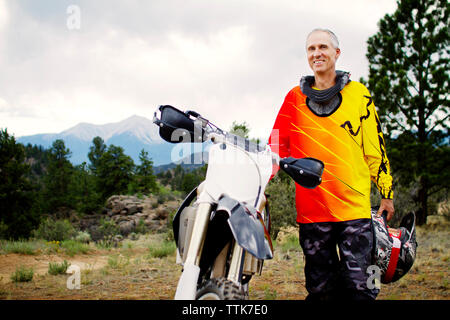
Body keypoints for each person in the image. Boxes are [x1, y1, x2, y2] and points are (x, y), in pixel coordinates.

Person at [268, 28, 395, 301]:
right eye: (311, 49)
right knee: (320, 290)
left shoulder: (359, 95)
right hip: (313, 212)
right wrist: (258, 183)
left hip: (355, 211)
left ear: (337, 53)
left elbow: (375, 148)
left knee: (362, 289)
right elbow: (275, 146)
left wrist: (387, 192)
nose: (317, 53)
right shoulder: (294, 100)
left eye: (323, 47)